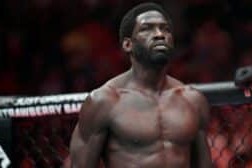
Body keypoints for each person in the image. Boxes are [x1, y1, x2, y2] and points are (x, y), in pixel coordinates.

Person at [69, 2, 212, 168]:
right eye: (147, 29)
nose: (159, 34)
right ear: (127, 44)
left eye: (165, 29)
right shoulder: (105, 101)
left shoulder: (192, 100)